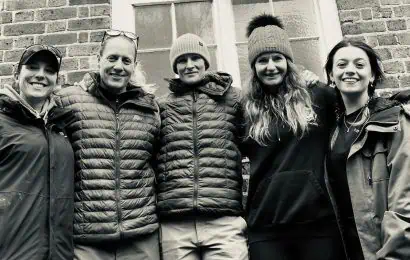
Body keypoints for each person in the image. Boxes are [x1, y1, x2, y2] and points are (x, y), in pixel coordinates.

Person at [241, 14, 345, 260]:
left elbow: (355, 109)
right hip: (266, 226)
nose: (271, 66)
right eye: (262, 60)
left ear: (288, 61)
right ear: (253, 67)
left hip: (318, 222)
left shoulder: (318, 96)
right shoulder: (244, 109)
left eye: (277, 58)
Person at [53, 30, 161, 260]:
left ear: (134, 66)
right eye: (112, 58)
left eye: (126, 60)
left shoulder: (150, 108)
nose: (118, 66)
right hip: (88, 239)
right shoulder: (69, 100)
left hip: (140, 238)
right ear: (98, 59)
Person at [155, 33, 249, 260]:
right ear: (175, 66)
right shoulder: (161, 106)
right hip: (175, 225)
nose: (189, 65)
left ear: (205, 62)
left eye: (195, 58)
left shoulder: (234, 99)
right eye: (182, 60)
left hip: (223, 221)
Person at [324, 39, 410, 259]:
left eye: (359, 65)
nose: (350, 70)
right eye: (341, 65)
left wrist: (394, 255)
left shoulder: (394, 121)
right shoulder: (331, 132)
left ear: (372, 76)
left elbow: (405, 200)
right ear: (332, 76)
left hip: (385, 250)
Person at [0, 44, 75, 259]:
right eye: (33, 67)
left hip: (59, 253)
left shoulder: (61, 126)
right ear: (17, 73)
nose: (40, 75)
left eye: (49, 71)